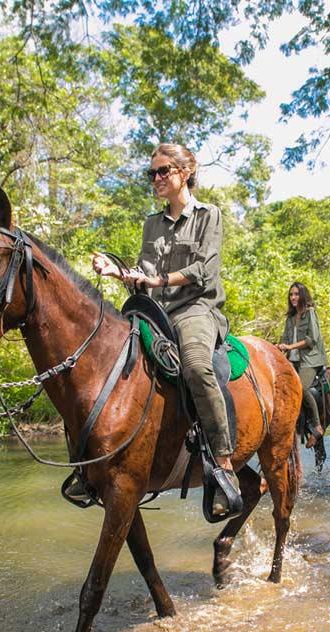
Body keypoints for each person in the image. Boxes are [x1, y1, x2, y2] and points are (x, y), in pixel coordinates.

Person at [90, 143, 239, 518]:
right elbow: (143, 276)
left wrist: (156, 280)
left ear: (185, 172)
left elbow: (203, 272)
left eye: (162, 172)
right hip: (156, 309)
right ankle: (93, 462)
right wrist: (116, 271)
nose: (155, 179)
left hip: (195, 309)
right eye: (151, 173)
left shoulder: (209, 215)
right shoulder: (151, 224)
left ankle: (223, 467)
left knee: (196, 367)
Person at [277, 282, 328, 448]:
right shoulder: (290, 318)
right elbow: (285, 339)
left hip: (310, 359)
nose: (293, 297)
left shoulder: (310, 313)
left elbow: (312, 339)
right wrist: (280, 346)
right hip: (293, 359)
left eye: (296, 294)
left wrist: (290, 347)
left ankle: (317, 426)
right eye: (291, 294)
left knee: (301, 388)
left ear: (303, 296)